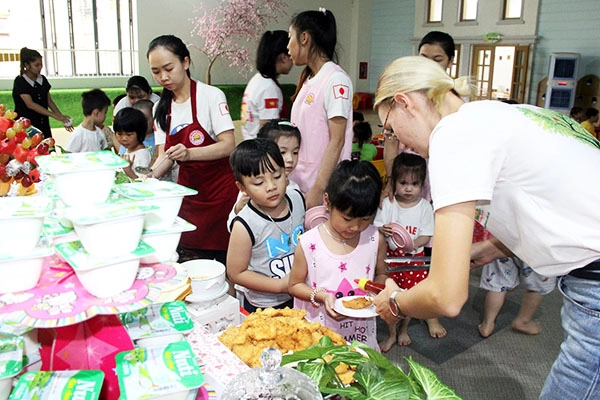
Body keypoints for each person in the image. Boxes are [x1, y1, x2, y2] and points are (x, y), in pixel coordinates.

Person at [371, 55, 600, 400]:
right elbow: (554, 201)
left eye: (389, 128)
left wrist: (397, 304)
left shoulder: (453, 134)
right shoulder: (496, 113)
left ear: (405, 103)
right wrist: (490, 248)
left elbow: (447, 298)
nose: (398, 141)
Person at [147, 35, 238, 265]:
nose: (163, 77)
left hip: (220, 196)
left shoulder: (211, 96)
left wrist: (189, 154)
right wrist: (147, 178)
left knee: (224, 263)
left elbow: (228, 145)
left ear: (185, 62)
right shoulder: (160, 107)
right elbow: (163, 156)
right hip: (189, 198)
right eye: (156, 72)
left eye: (169, 68)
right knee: (192, 264)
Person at [289, 160, 388, 350]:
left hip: (361, 332)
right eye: (347, 218)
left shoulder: (375, 239)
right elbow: (294, 285)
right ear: (327, 202)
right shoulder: (310, 243)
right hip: (319, 332)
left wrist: (375, 290)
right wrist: (321, 296)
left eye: (366, 219)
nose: (355, 227)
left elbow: (382, 273)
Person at [373, 152, 442, 351]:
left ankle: (404, 329)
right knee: (390, 297)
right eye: (403, 183)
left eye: (415, 184)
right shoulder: (388, 204)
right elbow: (377, 227)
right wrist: (381, 229)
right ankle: (392, 333)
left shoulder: (424, 208)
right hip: (390, 260)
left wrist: (412, 245)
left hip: (414, 261)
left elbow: (426, 236)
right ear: (394, 181)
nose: (408, 188)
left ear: (422, 184)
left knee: (408, 299)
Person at [227, 138, 305, 312]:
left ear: (285, 173)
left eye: (276, 176)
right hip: (265, 305)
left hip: (300, 294)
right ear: (242, 188)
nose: (271, 187)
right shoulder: (244, 224)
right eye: (259, 183)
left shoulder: (297, 199)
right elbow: (236, 273)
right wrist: (279, 286)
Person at [287, 8, 354, 209]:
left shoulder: (335, 80)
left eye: (290, 38)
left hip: (320, 188)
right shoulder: (309, 79)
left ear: (304, 37)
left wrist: (319, 188)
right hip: (301, 181)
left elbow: (338, 140)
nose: (287, 46)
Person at [382, 31, 456, 203]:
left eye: (437, 60)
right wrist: (391, 180)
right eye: (423, 58)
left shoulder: (453, 100)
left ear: (450, 61)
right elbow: (391, 140)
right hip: (406, 172)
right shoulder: (403, 93)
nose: (428, 65)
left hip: (437, 175)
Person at [478, 257, 557, 337]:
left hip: (508, 246)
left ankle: (487, 324)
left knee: (498, 280)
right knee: (537, 284)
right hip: (542, 251)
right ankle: (523, 321)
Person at [241, 30, 293, 140]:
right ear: (283, 57)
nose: (293, 60)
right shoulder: (268, 88)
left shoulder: (257, 80)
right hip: (261, 151)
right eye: (291, 54)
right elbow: (268, 131)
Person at [12, 47, 73, 138]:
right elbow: (30, 104)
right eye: (37, 65)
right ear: (26, 65)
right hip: (27, 127)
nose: (40, 67)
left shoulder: (42, 79)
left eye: (41, 64)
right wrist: (54, 115)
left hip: (43, 124)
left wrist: (62, 117)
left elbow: (49, 101)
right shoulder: (20, 81)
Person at [65, 89, 111, 153]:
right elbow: (69, 154)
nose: (105, 116)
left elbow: (106, 152)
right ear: (96, 112)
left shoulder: (99, 132)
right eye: (105, 112)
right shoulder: (78, 134)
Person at [113, 107, 151, 180]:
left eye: (129, 134)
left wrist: (127, 170)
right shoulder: (130, 149)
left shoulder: (141, 155)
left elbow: (143, 181)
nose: (124, 138)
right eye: (119, 134)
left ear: (140, 133)